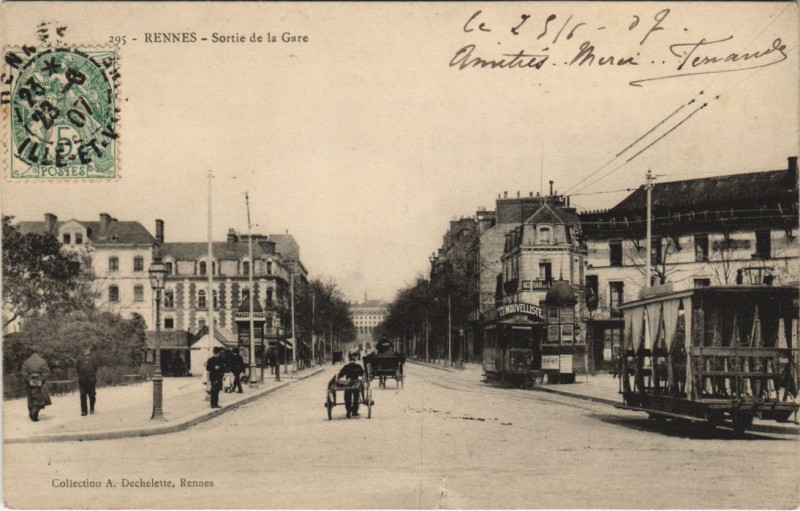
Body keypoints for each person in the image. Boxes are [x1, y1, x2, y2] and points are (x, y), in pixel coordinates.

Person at [20, 348, 52, 422]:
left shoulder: (27, 361)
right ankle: (34, 414)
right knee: (39, 398)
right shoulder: (42, 361)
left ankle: (32, 412)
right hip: (39, 383)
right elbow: (46, 372)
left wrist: (29, 379)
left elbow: (23, 372)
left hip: (30, 383)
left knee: (31, 398)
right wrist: (40, 379)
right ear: (38, 352)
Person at [337, 353, 365, 418]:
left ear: (349, 360)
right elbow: (362, 374)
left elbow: (341, 374)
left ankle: (348, 411)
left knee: (347, 397)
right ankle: (354, 412)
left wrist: (338, 378)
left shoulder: (346, 366)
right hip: (356, 383)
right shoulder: (358, 366)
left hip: (348, 384)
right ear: (354, 360)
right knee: (356, 397)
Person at [76, 347, 99, 416]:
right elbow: (77, 367)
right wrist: (81, 375)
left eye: (86, 349)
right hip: (82, 380)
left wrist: (91, 374)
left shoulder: (93, 357)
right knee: (83, 395)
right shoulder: (79, 358)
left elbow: (96, 367)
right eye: (84, 349)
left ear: (89, 349)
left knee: (92, 395)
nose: (85, 350)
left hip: (91, 380)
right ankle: (84, 411)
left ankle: (92, 408)